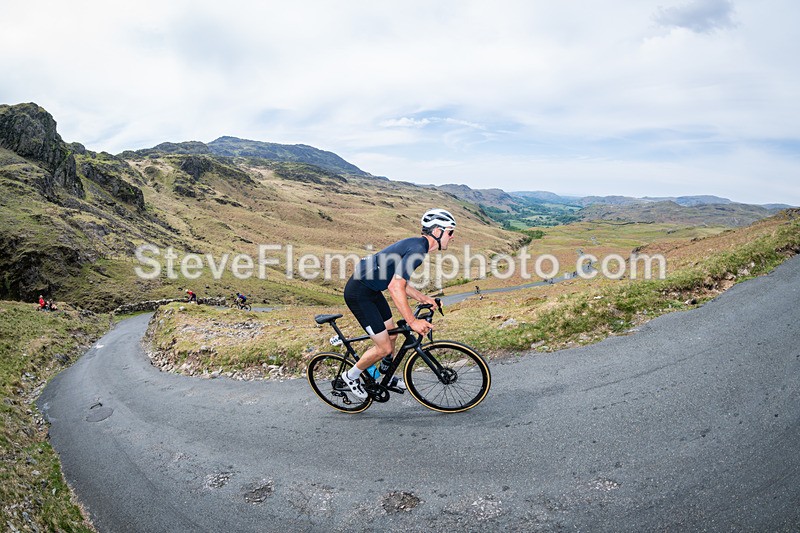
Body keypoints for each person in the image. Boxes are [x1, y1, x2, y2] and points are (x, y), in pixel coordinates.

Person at [339, 208, 457, 399]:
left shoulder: (417, 246)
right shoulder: (417, 250)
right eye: (450, 232)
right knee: (384, 348)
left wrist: (425, 299)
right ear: (437, 231)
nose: (452, 237)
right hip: (359, 294)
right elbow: (395, 287)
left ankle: (385, 376)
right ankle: (350, 376)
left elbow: (399, 282)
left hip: (373, 290)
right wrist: (413, 322)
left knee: (392, 335)